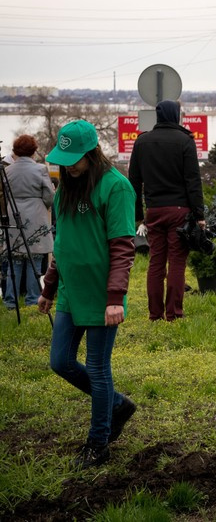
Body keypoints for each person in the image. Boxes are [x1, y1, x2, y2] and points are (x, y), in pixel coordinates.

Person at [38, 120, 138, 469]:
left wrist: (115, 297)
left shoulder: (117, 187)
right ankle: (117, 405)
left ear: (93, 152)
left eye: (74, 159)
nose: (68, 166)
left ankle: (98, 443)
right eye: (63, 159)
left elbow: (123, 247)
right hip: (69, 290)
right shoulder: (65, 188)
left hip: (101, 294)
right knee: (60, 361)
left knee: (97, 368)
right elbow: (62, 243)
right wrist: (49, 287)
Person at [128, 100, 205, 321]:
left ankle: (155, 314)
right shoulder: (185, 141)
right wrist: (199, 215)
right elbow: (193, 181)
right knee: (177, 263)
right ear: (176, 115)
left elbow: (133, 182)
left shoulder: (141, 142)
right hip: (180, 212)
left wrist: (138, 216)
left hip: (154, 211)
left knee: (156, 263)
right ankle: (174, 314)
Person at [3, 135, 55, 310]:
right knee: (35, 258)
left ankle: (10, 300)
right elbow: (49, 195)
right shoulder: (40, 169)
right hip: (36, 215)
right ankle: (32, 298)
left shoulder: (7, 170)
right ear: (34, 150)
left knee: (14, 260)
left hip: (13, 214)